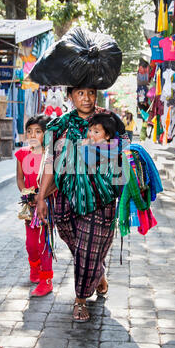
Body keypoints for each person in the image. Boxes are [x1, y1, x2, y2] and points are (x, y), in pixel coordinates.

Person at [36, 88, 128, 322]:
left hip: (102, 198)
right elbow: (49, 160)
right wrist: (41, 197)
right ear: (70, 96)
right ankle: (98, 276)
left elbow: (124, 155)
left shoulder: (110, 120)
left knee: (88, 249)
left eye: (90, 92)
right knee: (78, 246)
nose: (86, 98)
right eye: (79, 93)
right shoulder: (60, 126)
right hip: (66, 197)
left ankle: (80, 300)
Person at [15, 114, 55, 297]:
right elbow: (19, 178)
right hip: (29, 204)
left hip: (46, 204)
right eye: (29, 131)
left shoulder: (49, 156)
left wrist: (40, 197)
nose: (33, 135)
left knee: (43, 243)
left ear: (45, 135)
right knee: (31, 244)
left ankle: (47, 280)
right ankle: (34, 267)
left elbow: (51, 182)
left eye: (38, 131)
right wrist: (26, 193)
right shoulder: (22, 154)